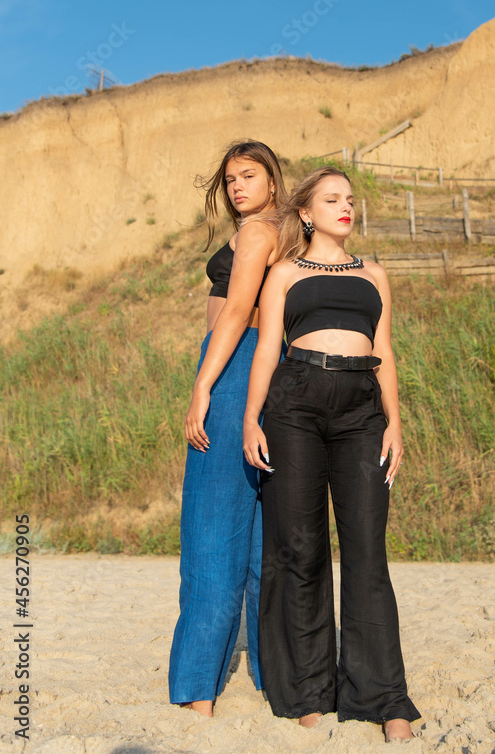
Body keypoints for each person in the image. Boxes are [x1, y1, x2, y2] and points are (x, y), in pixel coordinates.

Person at [243, 166, 419, 741]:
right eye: (332, 199)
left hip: (362, 408)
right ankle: (309, 689)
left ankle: (382, 695)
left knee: (367, 546)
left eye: (350, 199)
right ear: (306, 213)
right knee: (301, 547)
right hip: (295, 403)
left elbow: (385, 350)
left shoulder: (375, 273)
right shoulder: (285, 273)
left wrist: (395, 422)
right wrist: (252, 417)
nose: (346, 207)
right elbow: (267, 348)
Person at [168, 139, 288, 717]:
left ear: (272, 179)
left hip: (234, 366)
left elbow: (237, 311)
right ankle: (275, 677)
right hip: (270, 371)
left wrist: (202, 386)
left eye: (249, 174)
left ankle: (197, 688)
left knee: (212, 525)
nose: (238, 186)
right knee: (263, 531)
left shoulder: (259, 232)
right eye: (231, 178)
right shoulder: (287, 231)